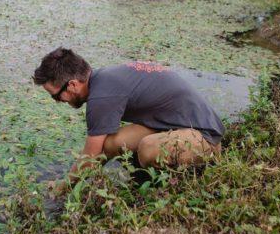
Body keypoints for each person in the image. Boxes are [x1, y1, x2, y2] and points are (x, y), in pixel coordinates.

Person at [32, 47, 225, 191]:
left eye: (56, 96)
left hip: (205, 138)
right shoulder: (104, 79)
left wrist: (63, 187)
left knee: (148, 150)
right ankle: (141, 180)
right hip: (176, 123)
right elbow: (100, 152)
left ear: (73, 85)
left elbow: (89, 157)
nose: (57, 102)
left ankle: (168, 188)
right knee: (111, 144)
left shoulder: (102, 97)